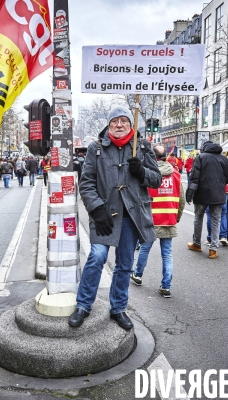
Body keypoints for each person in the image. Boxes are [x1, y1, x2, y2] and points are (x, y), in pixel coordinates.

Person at [68, 105, 161, 330]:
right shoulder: (96, 148)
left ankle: (118, 308)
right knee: (97, 257)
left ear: (131, 124)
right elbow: (87, 182)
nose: (119, 125)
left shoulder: (142, 147)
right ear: (108, 125)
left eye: (124, 121)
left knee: (125, 264)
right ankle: (83, 305)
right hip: (104, 216)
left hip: (131, 215)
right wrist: (97, 209)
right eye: (114, 121)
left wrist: (142, 172)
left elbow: (156, 179)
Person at [131, 145, 184, 298]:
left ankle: (138, 275)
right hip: (168, 219)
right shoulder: (176, 175)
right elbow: (182, 199)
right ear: (166, 157)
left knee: (144, 249)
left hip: (150, 219)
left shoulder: (147, 174)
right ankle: (166, 286)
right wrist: (177, 217)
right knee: (167, 254)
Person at [186, 141, 228, 259]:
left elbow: (194, 177)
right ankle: (213, 249)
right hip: (218, 193)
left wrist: (190, 193)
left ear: (204, 148)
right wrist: (220, 183)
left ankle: (197, 244)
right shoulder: (224, 159)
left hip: (202, 192)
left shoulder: (201, 157)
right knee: (216, 219)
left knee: (198, 218)